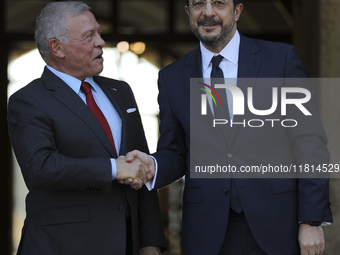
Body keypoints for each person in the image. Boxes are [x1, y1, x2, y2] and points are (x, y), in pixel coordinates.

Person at [125, 0, 333, 255]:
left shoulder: (281, 60)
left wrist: (311, 220)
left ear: (237, 11)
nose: (208, 12)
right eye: (199, 4)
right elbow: (176, 152)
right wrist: (152, 166)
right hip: (207, 231)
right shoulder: (171, 77)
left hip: (279, 225)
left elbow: (309, 143)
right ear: (188, 12)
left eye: (219, 3)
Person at [7, 2, 166, 255]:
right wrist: (113, 168)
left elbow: (140, 165)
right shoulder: (28, 100)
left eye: (99, 32)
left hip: (127, 244)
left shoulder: (120, 91)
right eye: (89, 36)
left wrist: (151, 241)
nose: (101, 42)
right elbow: (41, 167)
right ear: (56, 48)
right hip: (62, 245)